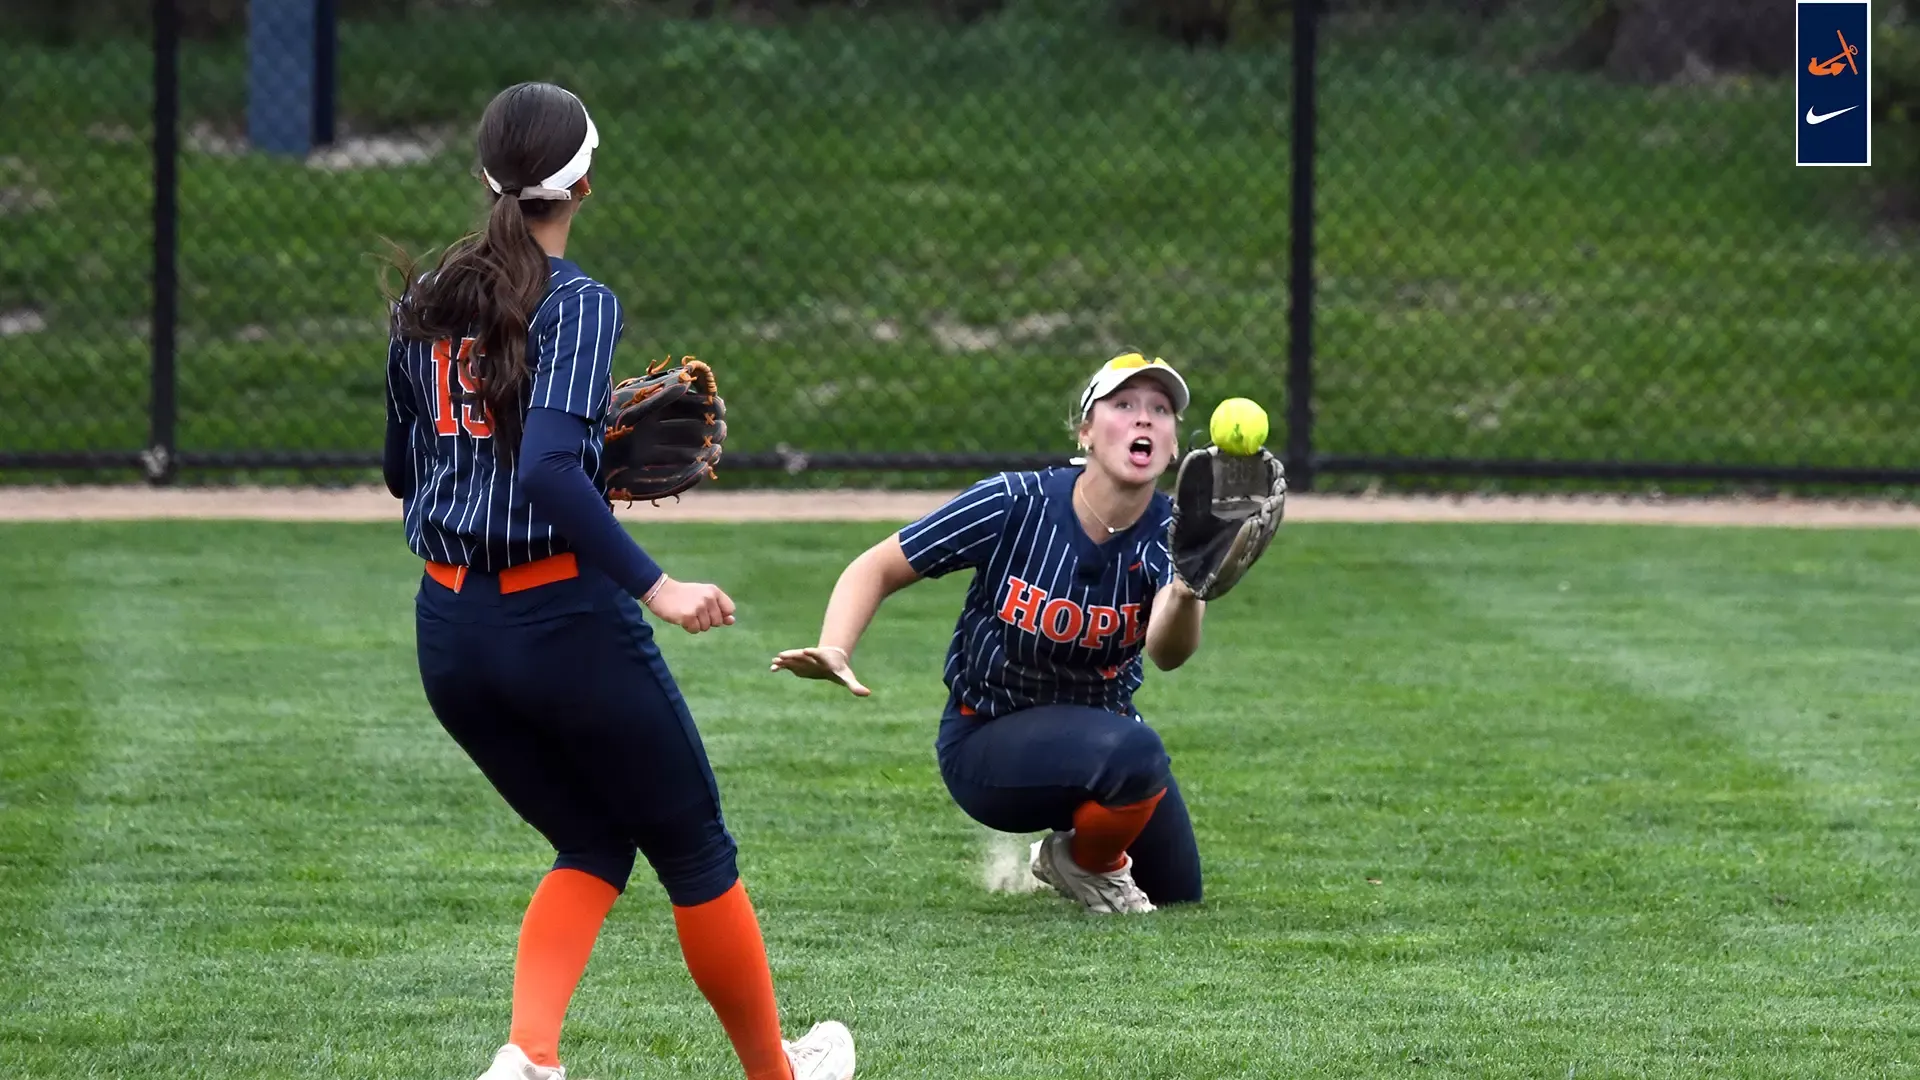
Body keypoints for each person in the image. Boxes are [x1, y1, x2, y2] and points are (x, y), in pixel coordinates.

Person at [380, 81, 855, 1080]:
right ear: (583, 183)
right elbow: (552, 467)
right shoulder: (578, 302)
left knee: (594, 840)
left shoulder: (426, 297)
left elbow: (403, 471)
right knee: (694, 850)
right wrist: (658, 584)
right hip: (564, 622)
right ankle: (777, 1073)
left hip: (450, 633)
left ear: (485, 177)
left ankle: (531, 1058)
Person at [770, 352, 1211, 915]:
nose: (1144, 418)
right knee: (1137, 752)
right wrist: (835, 646)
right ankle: (1086, 863)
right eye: (1123, 405)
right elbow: (877, 567)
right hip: (989, 741)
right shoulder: (1015, 502)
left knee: (1177, 890)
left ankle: (1078, 845)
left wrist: (1188, 589)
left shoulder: (1172, 536)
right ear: (1086, 434)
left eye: (1160, 409)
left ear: (1173, 447)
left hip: (1105, 740)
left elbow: (1169, 656)